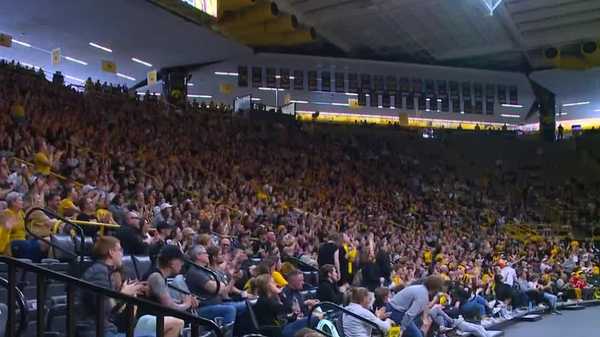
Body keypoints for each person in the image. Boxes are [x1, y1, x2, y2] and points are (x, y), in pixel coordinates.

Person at [80, 236, 154, 337]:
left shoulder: (105, 271)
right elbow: (104, 307)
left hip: (106, 329)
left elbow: (111, 307)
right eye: (120, 250)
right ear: (111, 252)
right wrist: (124, 294)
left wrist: (128, 295)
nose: (122, 254)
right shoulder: (99, 272)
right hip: (95, 331)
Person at [137, 245, 191, 337]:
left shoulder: (161, 276)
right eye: (181, 260)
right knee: (183, 321)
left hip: (155, 318)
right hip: (145, 320)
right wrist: (186, 304)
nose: (182, 264)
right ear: (172, 262)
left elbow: (165, 300)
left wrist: (182, 302)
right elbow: (169, 306)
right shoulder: (156, 277)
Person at [186, 244, 243, 325]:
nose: (207, 255)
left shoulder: (205, 270)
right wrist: (221, 284)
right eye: (205, 253)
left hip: (217, 304)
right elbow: (216, 289)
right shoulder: (195, 272)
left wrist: (220, 284)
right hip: (203, 308)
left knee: (245, 305)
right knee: (230, 309)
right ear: (198, 256)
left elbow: (220, 287)